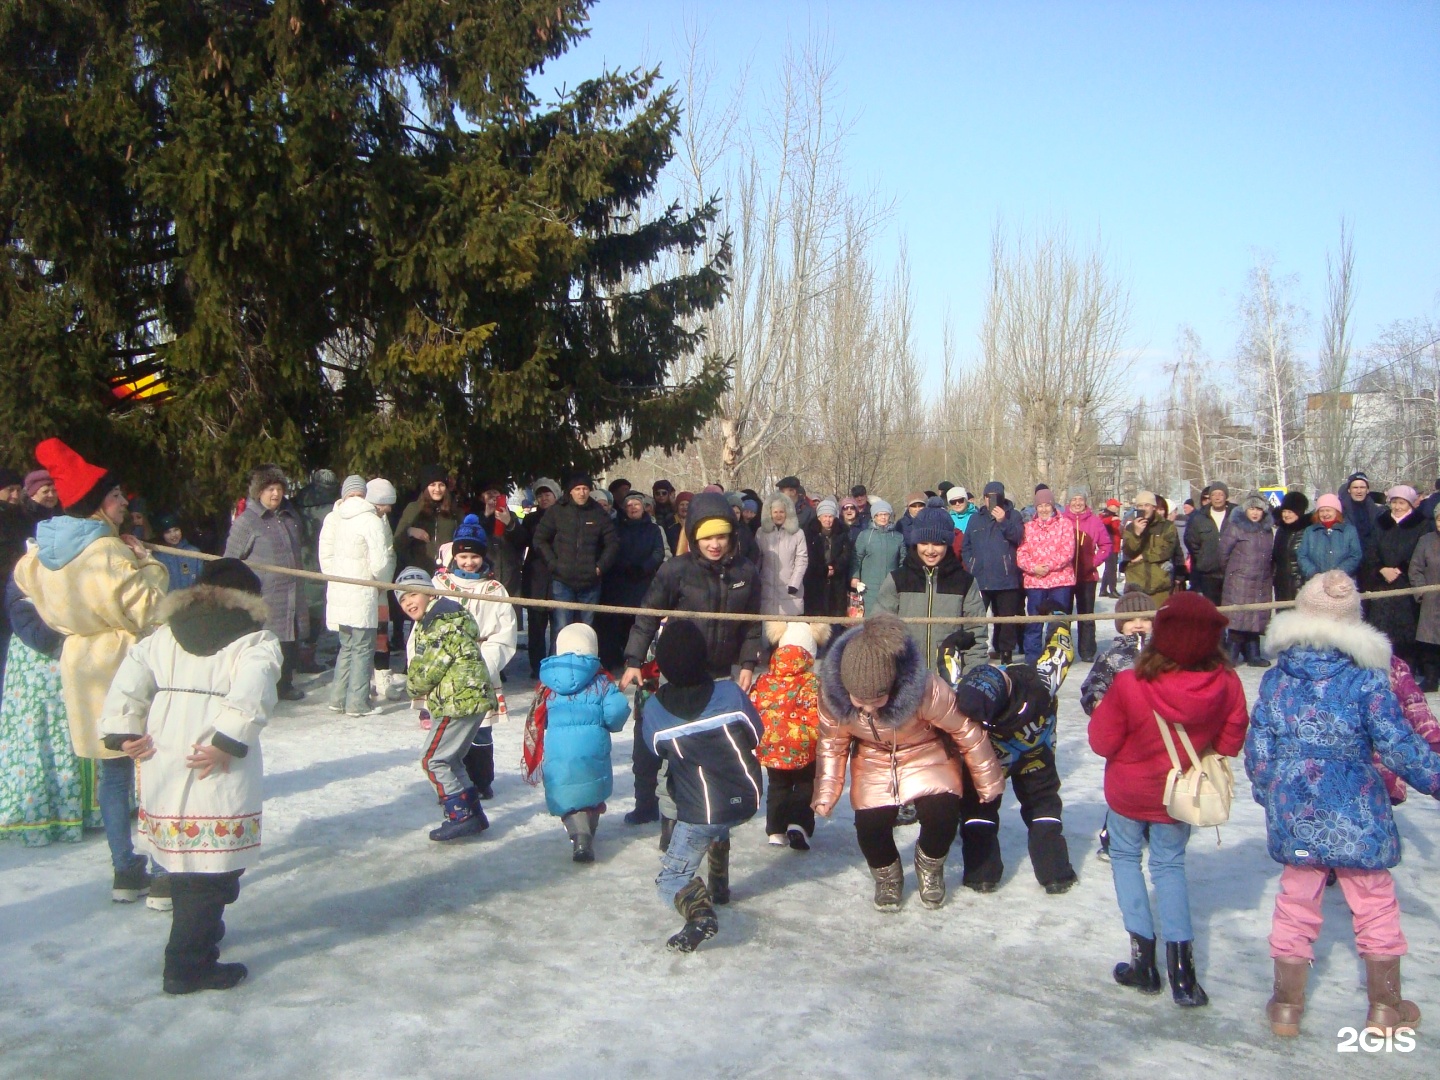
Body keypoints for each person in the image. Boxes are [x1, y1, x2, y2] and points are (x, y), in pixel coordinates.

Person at [1247, 570, 1440, 1038]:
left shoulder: (1277, 680)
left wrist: (1274, 790)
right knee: (1373, 901)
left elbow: (1258, 750)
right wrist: (1434, 777)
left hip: (1296, 805)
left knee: (1296, 900)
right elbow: (1395, 743)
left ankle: (1286, 1007)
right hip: (1357, 802)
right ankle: (1385, 1008)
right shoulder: (1367, 679)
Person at [98, 558, 282, 994]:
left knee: (185, 857)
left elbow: (130, 679)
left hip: (166, 746)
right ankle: (187, 964)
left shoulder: (161, 635)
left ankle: (200, 932)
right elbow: (254, 689)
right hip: (213, 752)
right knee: (212, 870)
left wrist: (124, 729)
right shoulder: (256, 639)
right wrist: (228, 740)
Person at [12, 438, 170, 904]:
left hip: (79, 662)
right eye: (117, 496)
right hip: (124, 662)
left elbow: (24, 581)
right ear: (97, 505)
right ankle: (163, 874)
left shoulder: (42, 554)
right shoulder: (110, 555)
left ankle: (124, 871)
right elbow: (150, 611)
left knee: (113, 772)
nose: (125, 503)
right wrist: (150, 564)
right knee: (151, 764)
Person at [1088, 592, 1249, 1007]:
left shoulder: (1129, 683)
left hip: (1129, 789)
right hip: (1181, 794)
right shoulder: (1227, 683)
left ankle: (1143, 963)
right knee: (1170, 866)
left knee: (1125, 858)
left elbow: (1102, 741)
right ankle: (1183, 974)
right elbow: (1231, 743)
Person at [813, 614, 1003, 912]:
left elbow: (965, 730)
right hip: (873, 759)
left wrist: (988, 782)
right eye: (859, 700)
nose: (867, 708)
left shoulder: (926, 689)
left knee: (941, 814)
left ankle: (930, 865)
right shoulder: (833, 698)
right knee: (869, 826)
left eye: (877, 698)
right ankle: (887, 876)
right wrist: (826, 792)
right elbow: (831, 744)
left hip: (926, 752)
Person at [621, 492, 761, 824]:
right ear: (695, 536)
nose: (715, 544)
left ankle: (711, 803)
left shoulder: (746, 571)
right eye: (707, 537)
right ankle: (670, 814)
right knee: (677, 744)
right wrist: (633, 659)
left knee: (712, 743)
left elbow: (753, 621)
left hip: (720, 673)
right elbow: (647, 615)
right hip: (680, 672)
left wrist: (748, 663)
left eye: (722, 536)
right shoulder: (676, 571)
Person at [641, 619, 764, 952]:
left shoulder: (655, 711)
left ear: (662, 665)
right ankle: (719, 886)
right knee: (718, 812)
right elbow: (757, 734)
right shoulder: (730, 693)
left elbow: (656, 750)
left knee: (670, 881)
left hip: (700, 812)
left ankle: (700, 915)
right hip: (746, 797)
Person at [950, 615, 1079, 894]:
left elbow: (949, 672)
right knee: (1042, 806)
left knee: (977, 807)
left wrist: (953, 645)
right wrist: (1058, 620)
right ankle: (1055, 873)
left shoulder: (970, 705)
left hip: (991, 757)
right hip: (1038, 753)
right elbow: (1061, 651)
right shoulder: (1043, 681)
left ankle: (981, 874)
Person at [395, 566, 499, 841]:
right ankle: (474, 812)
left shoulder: (440, 622)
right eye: (402, 600)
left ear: (429, 593)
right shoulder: (447, 617)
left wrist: (412, 684)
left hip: (459, 699)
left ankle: (459, 814)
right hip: (469, 698)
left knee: (432, 759)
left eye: (412, 594)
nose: (408, 603)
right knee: (451, 760)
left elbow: (429, 668)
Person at [0, 577, 102, 845]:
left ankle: (81, 811)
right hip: (39, 680)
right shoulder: (22, 592)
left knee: (74, 735)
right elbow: (38, 637)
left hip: (68, 677)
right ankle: (43, 815)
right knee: (43, 739)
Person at [430, 515, 517, 798]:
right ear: (455, 556)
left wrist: (484, 663)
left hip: (479, 664)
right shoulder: (440, 584)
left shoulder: (494, 590)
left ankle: (481, 782)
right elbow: (424, 626)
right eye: (464, 556)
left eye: (475, 556)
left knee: (479, 729)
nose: (469, 562)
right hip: (445, 666)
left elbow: (504, 633)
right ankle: (452, 783)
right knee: (448, 728)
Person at [536, 622, 630, 863]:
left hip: (558, 752)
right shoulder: (601, 682)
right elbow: (617, 709)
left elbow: (540, 716)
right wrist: (611, 724)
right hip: (591, 751)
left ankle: (579, 836)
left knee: (567, 796)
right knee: (591, 792)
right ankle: (588, 833)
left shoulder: (548, 683)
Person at [1079, 591, 1157, 862]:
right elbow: (1092, 686)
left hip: (1159, 733)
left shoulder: (1163, 653)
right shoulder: (1112, 655)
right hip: (1125, 735)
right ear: (1119, 624)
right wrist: (1099, 706)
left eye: (1145, 619)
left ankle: (1156, 833)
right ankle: (1114, 840)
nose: (1138, 624)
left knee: (1159, 786)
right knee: (1124, 789)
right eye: (1130, 619)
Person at [223, 465, 308, 701]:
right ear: (258, 491)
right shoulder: (247, 522)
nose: (275, 494)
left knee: (289, 637)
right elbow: (230, 559)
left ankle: (285, 683)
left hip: (291, 590)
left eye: (279, 488)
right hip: (264, 594)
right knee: (266, 640)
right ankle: (260, 687)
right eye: (270, 488)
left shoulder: (290, 517)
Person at [876, 501, 987, 676]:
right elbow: (879, 630)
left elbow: (976, 636)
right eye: (924, 543)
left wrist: (973, 676)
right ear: (915, 543)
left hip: (950, 678)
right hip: (906, 678)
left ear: (948, 544)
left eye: (937, 543)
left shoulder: (964, 582)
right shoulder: (898, 579)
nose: (930, 550)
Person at [317, 476, 396, 717]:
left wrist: (337, 578)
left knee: (347, 646)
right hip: (362, 591)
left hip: (339, 590)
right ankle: (358, 703)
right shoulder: (370, 520)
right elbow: (381, 562)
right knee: (363, 648)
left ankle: (338, 698)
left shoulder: (332, 517)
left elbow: (325, 557)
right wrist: (378, 581)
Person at [751, 621, 830, 849]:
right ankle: (798, 823)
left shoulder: (765, 680)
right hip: (804, 745)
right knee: (805, 784)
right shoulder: (813, 682)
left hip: (771, 746)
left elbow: (754, 705)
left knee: (777, 786)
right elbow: (821, 712)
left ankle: (775, 830)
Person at [533, 473, 619, 636]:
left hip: (591, 581)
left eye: (585, 489)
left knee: (587, 629)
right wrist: (553, 564)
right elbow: (539, 539)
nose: (582, 492)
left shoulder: (598, 512)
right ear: (570, 491)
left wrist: (600, 567)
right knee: (562, 628)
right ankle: (561, 660)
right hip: (562, 580)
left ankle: (586, 660)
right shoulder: (557, 511)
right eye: (578, 489)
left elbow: (613, 543)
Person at [596, 490, 665, 669]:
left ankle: (636, 659)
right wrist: (625, 566)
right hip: (619, 581)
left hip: (643, 582)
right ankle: (613, 659)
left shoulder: (653, 528)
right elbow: (611, 550)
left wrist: (644, 567)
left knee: (638, 623)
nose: (633, 508)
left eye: (636, 504)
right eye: (629, 505)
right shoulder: (615, 527)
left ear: (643, 507)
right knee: (615, 623)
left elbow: (659, 552)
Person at [1365, 485, 1429, 674]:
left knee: (1406, 628)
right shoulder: (1381, 522)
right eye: (1394, 502)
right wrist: (1381, 569)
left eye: (1401, 503)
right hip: (1382, 582)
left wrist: (1399, 569)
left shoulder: (1421, 524)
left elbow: (1419, 552)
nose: (1397, 507)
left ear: (1410, 504)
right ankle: (1380, 667)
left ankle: (1406, 669)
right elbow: (1371, 549)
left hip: (1405, 581)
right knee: (1381, 626)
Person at [962, 482, 1026, 663]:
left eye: (996, 496)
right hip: (980, 577)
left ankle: (1005, 652)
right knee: (977, 618)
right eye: (989, 496)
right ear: (984, 498)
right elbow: (966, 546)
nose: (992, 500)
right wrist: (971, 564)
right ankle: (977, 652)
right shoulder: (975, 518)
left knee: (1006, 620)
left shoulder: (1013, 515)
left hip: (1006, 577)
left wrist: (1002, 521)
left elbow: (1019, 537)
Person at [1016, 488, 1076, 664]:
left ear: (1052, 505)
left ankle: (1056, 656)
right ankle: (1032, 659)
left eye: (1046, 505)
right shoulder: (1028, 528)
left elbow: (1067, 551)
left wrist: (1049, 566)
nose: (1043, 509)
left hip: (1060, 580)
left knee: (1057, 622)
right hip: (1035, 581)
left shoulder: (1064, 524)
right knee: (1034, 622)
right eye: (1040, 506)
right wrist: (1034, 567)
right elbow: (1021, 553)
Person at [1219, 491, 1275, 668]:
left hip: (1261, 580)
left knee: (1256, 617)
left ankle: (1253, 654)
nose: (1255, 512)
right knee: (1238, 617)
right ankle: (1232, 654)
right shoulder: (1235, 527)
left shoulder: (1267, 531)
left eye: (1259, 509)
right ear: (1245, 509)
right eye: (1252, 508)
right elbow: (1222, 554)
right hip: (1239, 581)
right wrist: (1234, 572)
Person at [1063, 487, 1113, 662]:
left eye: (1080, 499)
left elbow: (1106, 545)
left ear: (1085, 501)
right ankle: (1063, 650)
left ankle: (1087, 651)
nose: (1077, 503)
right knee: (1064, 615)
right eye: (1074, 499)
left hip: (1087, 576)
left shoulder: (1094, 521)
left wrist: (1094, 562)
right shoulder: (1062, 519)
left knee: (1086, 615)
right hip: (1065, 576)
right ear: (1069, 502)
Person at [393, 465, 458, 572]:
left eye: (441, 485)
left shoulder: (454, 511)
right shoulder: (413, 508)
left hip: (447, 571)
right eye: (432, 485)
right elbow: (397, 542)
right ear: (425, 487)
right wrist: (409, 531)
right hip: (418, 571)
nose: (437, 489)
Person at [1120, 491, 1178, 605]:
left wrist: (1144, 556)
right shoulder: (1131, 527)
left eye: (1147, 505)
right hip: (1136, 583)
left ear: (1154, 507)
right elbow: (1128, 552)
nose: (1144, 509)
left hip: (1159, 585)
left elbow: (1167, 549)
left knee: (1158, 621)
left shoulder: (1166, 526)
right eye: (1140, 506)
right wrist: (1137, 534)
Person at [757, 492, 808, 616]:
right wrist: (757, 581)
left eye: (781, 512)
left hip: (790, 590)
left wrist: (794, 583)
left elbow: (802, 559)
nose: (778, 515)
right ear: (770, 513)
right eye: (775, 512)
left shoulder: (797, 533)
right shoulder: (761, 532)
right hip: (767, 589)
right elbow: (757, 558)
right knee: (770, 632)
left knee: (790, 632)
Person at [850, 498, 903, 617]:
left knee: (889, 618)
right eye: (879, 515)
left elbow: (903, 561)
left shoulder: (898, 537)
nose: (883, 517)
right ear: (874, 517)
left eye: (885, 514)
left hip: (890, 586)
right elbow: (856, 558)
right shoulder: (865, 536)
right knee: (869, 619)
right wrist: (855, 577)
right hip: (868, 587)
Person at [1183, 483, 1234, 604]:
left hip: (1232, 572)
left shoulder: (1235, 515)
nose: (1217, 497)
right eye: (1214, 494)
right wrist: (1203, 557)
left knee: (1231, 611)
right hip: (1208, 574)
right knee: (1211, 610)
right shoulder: (1199, 517)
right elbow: (1191, 541)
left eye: (1220, 494)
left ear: (1226, 496)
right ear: (1210, 497)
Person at [803, 497, 853, 618]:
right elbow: (808, 555)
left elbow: (846, 554)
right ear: (819, 517)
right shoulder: (809, 533)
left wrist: (834, 568)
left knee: (835, 616)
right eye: (825, 516)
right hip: (815, 580)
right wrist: (823, 569)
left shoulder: (843, 533)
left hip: (837, 581)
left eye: (830, 516)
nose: (827, 520)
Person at [1296, 493, 1362, 584]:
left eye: (1328, 510)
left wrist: (1338, 573)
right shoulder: (1310, 531)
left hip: (1342, 582)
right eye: (1321, 511)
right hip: (1316, 583)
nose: (1325, 514)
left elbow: (1355, 556)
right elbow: (1302, 555)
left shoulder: (1349, 531)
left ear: (1336, 511)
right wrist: (1313, 573)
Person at [1338, 472, 1383, 574]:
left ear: (1367, 490)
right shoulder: (1340, 512)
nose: (1359, 491)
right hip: (1348, 564)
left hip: (1372, 564)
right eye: (1355, 487)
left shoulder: (1378, 512)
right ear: (1349, 490)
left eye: (1362, 487)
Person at [1270, 492, 1310, 603]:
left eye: (1290, 512)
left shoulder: (1307, 531)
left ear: (1299, 512)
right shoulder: (1281, 530)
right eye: (1284, 511)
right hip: (1281, 585)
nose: (1286, 515)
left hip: (1301, 585)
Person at [153, 513, 203, 591]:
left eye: (176, 530)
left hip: (191, 598)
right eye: (167, 532)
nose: (173, 535)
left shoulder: (193, 552)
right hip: (170, 600)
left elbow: (201, 578)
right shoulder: (158, 556)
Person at [1099, 498, 1123, 598]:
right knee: (1112, 569)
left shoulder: (1114, 516)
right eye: (1116, 506)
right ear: (1110, 506)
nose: (1118, 508)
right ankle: (1113, 590)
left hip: (1115, 546)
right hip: (1109, 546)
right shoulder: (1105, 515)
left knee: (1109, 569)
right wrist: (1111, 519)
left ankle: (1103, 590)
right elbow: (1101, 522)